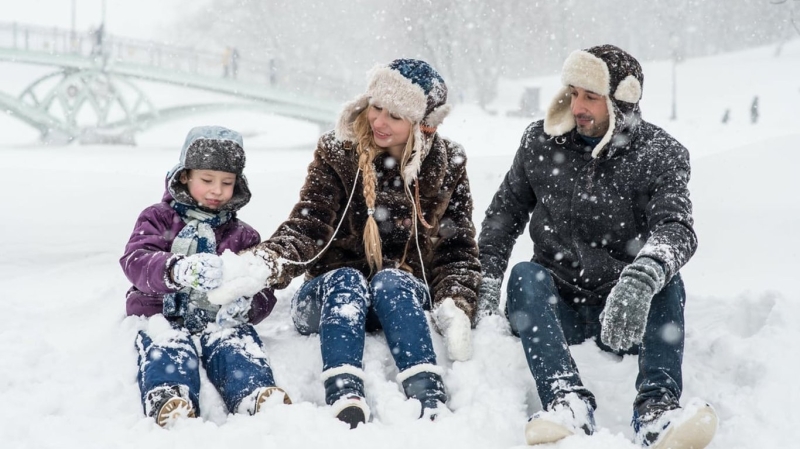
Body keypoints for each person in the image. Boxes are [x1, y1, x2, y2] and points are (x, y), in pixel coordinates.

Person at [477, 45, 718, 448]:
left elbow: (677, 227)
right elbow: (503, 217)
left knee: (666, 279)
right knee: (524, 275)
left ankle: (657, 411)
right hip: (555, 308)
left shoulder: (661, 154)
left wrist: (641, 278)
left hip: (626, 312)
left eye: (590, 96)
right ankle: (566, 401)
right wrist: (484, 283)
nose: (577, 106)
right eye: (573, 93)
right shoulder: (540, 142)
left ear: (620, 101)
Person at [243, 59, 480, 428]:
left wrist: (456, 301)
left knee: (392, 280)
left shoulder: (449, 163)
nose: (379, 122)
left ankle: (426, 392)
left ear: (422, 125)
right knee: (347, 281)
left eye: (396, 116)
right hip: (329, 298)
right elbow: (310, 224)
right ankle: (344, 391)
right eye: (377, 107)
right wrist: (268, 261)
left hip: (397, 301)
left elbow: (457, 247)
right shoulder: (338, 151)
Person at [120, 126, 290, 428]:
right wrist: (176, 269)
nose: (217, 191)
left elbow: (262, 287)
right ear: (185, 176)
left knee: (236, 343)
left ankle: (253, 391)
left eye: (227, 182)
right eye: (207, 180)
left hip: (217, 319)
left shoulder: (243, 235)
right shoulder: (158, 218)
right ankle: (170, 394)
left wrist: (248, 305)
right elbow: (136, 260)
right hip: (161, 313)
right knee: (167, 345)